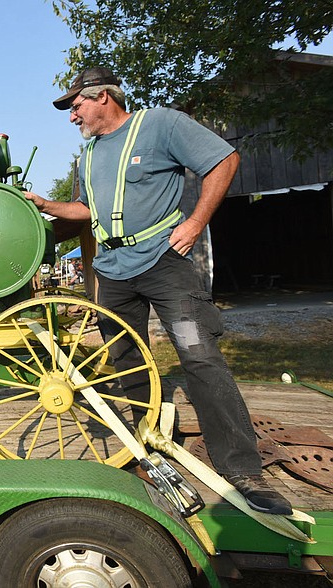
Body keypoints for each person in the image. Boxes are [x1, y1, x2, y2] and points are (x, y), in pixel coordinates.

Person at [24, 67, 291, 515]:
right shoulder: (86, 157)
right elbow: (87, 210)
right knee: (126, 360)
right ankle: (146, 451)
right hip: (111, 270)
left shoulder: (160, 124)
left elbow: (223, 161)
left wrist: (194, 223)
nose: (73, 117)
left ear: (104, 97)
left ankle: (243, 469)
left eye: (76, 106)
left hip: (163, 263)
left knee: (199, 354)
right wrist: (49, 206)